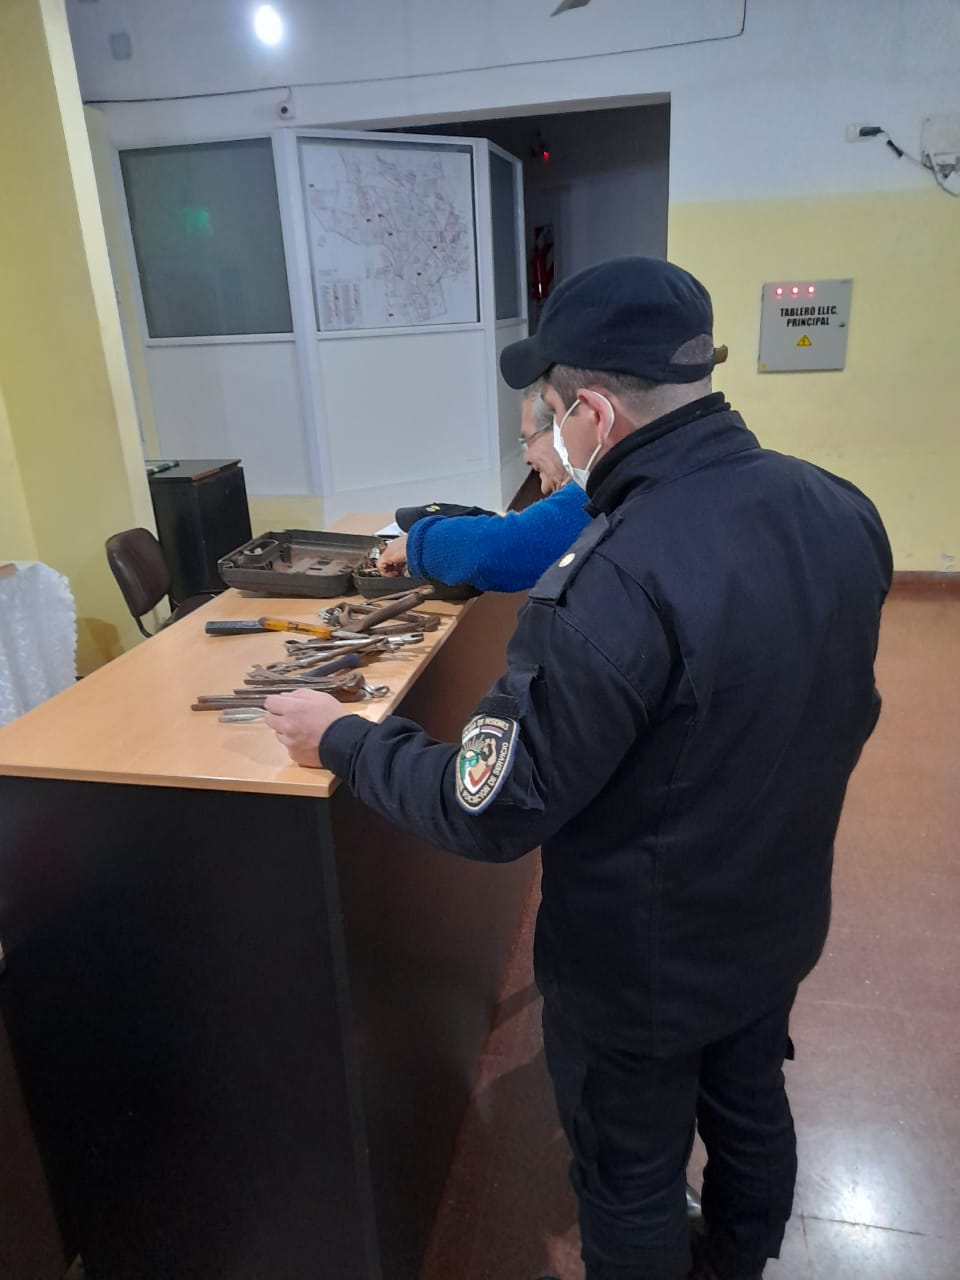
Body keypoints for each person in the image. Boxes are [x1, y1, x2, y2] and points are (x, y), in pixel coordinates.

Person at [264, 257, 891, 1280]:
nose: (547, 446)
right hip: (775, 919)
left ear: (591, 413)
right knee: (750, 1108)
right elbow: (845, 712)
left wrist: (340, 738)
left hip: (642, 964)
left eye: (549, 420)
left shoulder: (612, 578)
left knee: (629, 1172)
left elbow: (490, 805)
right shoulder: (838, 508)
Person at [376, 388, 591, 592]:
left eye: (529, 440)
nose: (526, 458)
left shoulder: (591, 494)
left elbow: (516, 544)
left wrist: (419, 545)